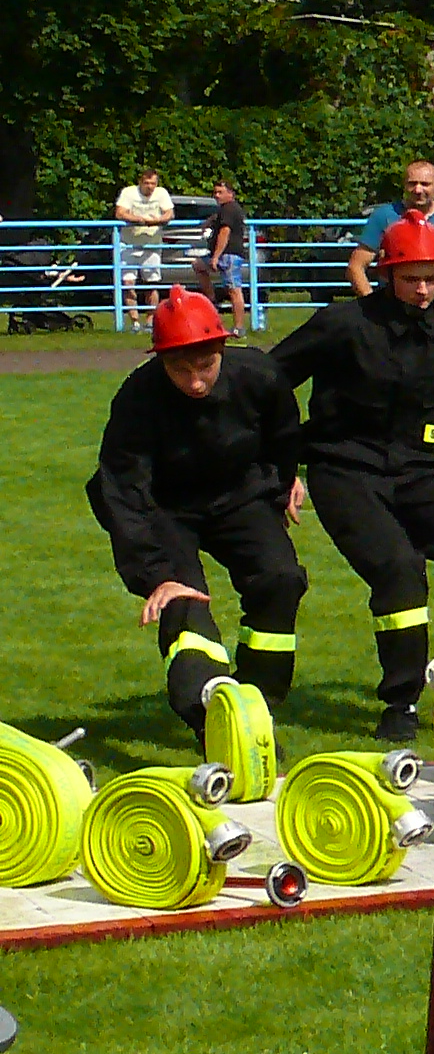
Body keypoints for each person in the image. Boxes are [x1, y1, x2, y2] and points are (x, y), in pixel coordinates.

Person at [273, 215, 434, 737]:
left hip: (421, 475)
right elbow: (270, 380)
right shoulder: (343, 323)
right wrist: (278, 466)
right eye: (411, 278)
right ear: (387, 272)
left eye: (432, 278)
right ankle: (401, 703)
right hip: (345, 473)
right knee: (398, 571)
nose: (422, 290)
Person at [86, 289, 308, 758]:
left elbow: (284, 433)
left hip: (239, 496)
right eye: (180, 370)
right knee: (185, 604)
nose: (195, 382)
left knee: (281, 579)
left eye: (204, 366)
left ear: (223, 350)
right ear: (160, 360)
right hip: (164, 508)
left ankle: (256, 713)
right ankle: (208, 720)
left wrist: (282, 483)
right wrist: (156, 574)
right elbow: (124, 491)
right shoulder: (138, 397)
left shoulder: (260, 375)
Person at [350, 159, 434, 299]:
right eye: (412, 183)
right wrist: (370, 303)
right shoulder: (384, 216)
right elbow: (356, 267)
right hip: (393, 309)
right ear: (404, 185)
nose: (418, 190)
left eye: (425, 184)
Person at [111, 163, 176, 322]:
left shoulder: (161, 193)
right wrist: (139, 220)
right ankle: (134, 321)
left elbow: (170, 213)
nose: (150, 187)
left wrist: (159, 220)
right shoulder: (129, 192)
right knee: (128, 283)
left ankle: (150, 320)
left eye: (153, 183)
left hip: (152, 243)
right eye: (147, 183)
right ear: (140, 182)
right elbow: (120, 213)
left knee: (151, 284)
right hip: (128, 243)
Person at [195, 178, 252, 334]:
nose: (217, 196)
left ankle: (239, 327)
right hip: (223, 255)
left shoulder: (230, 209)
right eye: (215, 192)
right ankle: (212, 301)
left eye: (220, 192)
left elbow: (225, 232)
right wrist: (209, 221)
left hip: (229, 255)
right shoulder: (224, 210)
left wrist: (216, 256)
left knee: (234, 289)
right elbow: (218, 219)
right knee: (198, 265)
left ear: (230, 194)